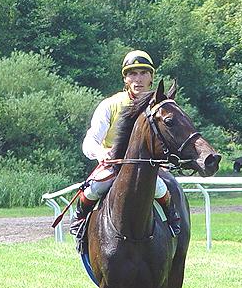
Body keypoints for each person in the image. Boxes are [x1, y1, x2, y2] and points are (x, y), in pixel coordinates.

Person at [69, 50, 181, 237]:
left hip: (147, 168)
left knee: (161, 188)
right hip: (114, 166)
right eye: (132, 74)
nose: (138, 79)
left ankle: (173, 219)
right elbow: (90, 140)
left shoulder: (158, 107)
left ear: (151, 77)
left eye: (143, 73)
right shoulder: (110, 105)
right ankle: (79, 220)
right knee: (93, 189)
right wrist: (100, 153)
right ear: (125, 79)